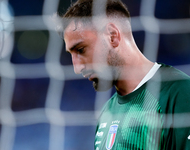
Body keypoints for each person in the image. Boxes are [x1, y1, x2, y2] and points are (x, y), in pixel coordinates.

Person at [59, 0, 190, 149]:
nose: (77, 68)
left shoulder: (180, 93)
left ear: (112, 36)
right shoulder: (106, 113)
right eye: (71, 54)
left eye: (81, 49)